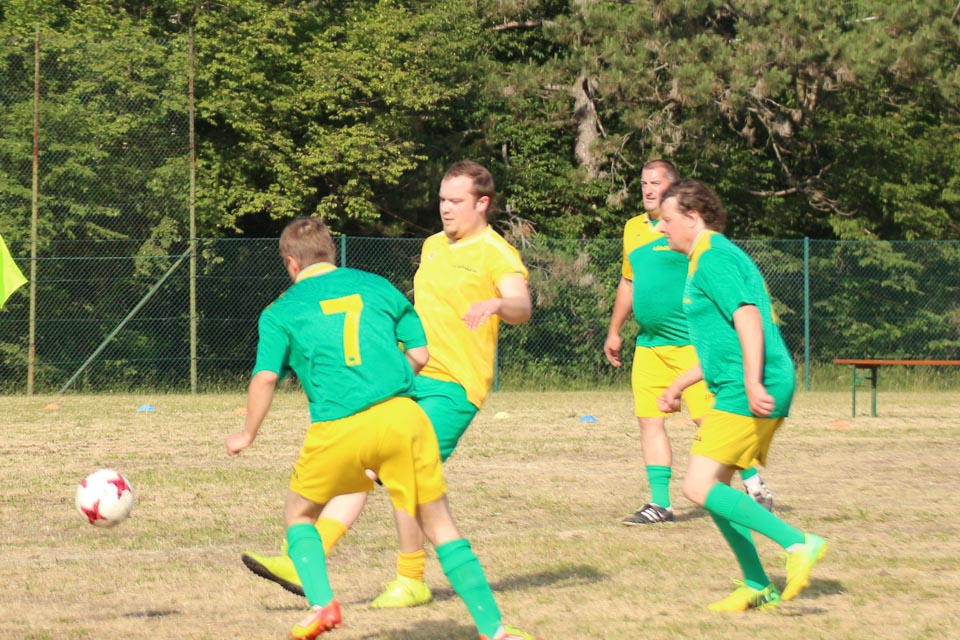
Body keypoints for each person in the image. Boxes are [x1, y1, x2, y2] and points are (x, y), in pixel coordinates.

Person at [225, 217, 539, 640]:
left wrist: (247, 433)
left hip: (336, 428)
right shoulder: (376, 285)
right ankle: (494, 630)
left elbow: (265, 378)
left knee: (299, 514)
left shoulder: (280, 310)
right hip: (401, 418)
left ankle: (322, 603)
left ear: (291, 264)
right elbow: (421, 353)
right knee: (441, 525)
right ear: (331, 253)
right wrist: (390, 380)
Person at [655, 179, 827, 611]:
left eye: (667, 219)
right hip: (741, 381)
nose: (660, 227)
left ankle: (798, 543)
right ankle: (756, 583)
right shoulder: (710, 256)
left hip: (748, 386)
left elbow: (748, 318)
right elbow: (724, 340)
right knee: (716, 489)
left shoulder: (712, 257)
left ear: (693, 218)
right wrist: (680, 384)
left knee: (698, 486)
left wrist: (752, 383)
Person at [604, 160, 773, 526]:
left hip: (691, 345)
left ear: (674, 188)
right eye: (643, 183)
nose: (648, 189)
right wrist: (615, 330)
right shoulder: (633, 228)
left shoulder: (685, 230)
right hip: (649, 344)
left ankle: (753, 484)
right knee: (649, 421)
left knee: (708, 421)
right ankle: (660, 504)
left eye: (656, 183)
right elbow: (628, 282)